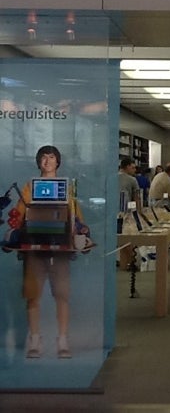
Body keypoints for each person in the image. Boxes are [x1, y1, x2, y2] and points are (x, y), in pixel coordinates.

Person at [10, 145, 90, 358]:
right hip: (34, 249)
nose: (47, 161)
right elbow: (18, 216)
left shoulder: (67, 189)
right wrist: (14, 231)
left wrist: (82, 231)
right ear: (38, 162)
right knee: (32, 296)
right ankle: (35, 338)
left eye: (51, 157)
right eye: (43, 157)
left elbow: (76, 218)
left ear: (58, 161)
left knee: (62, 295)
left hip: (60, 249)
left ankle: (62, 339)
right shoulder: (29, 188)